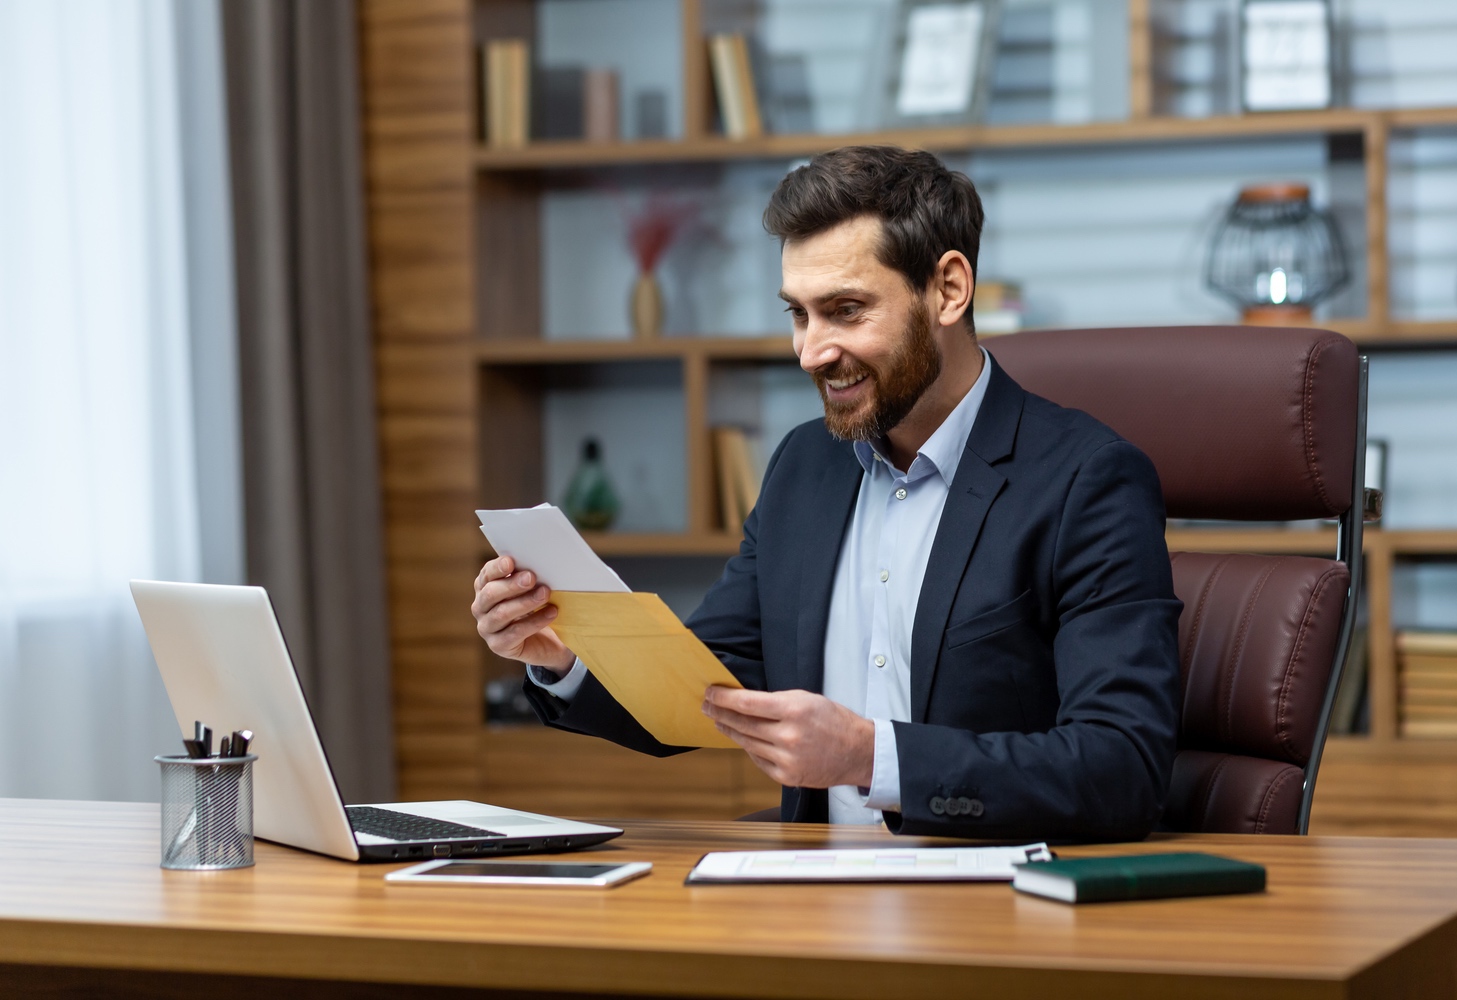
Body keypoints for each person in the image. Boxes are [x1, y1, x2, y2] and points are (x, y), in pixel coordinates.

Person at [472, 146, 1181, 841]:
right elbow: (700, 692)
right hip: (812, 905)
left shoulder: (1089, 480)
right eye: (799, 314)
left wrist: (872, 758)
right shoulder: (805, 466)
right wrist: (561, 657)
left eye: (845, 310)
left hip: (996, 910)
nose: (811, 352)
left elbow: (1122, 768)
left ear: (949, 290)